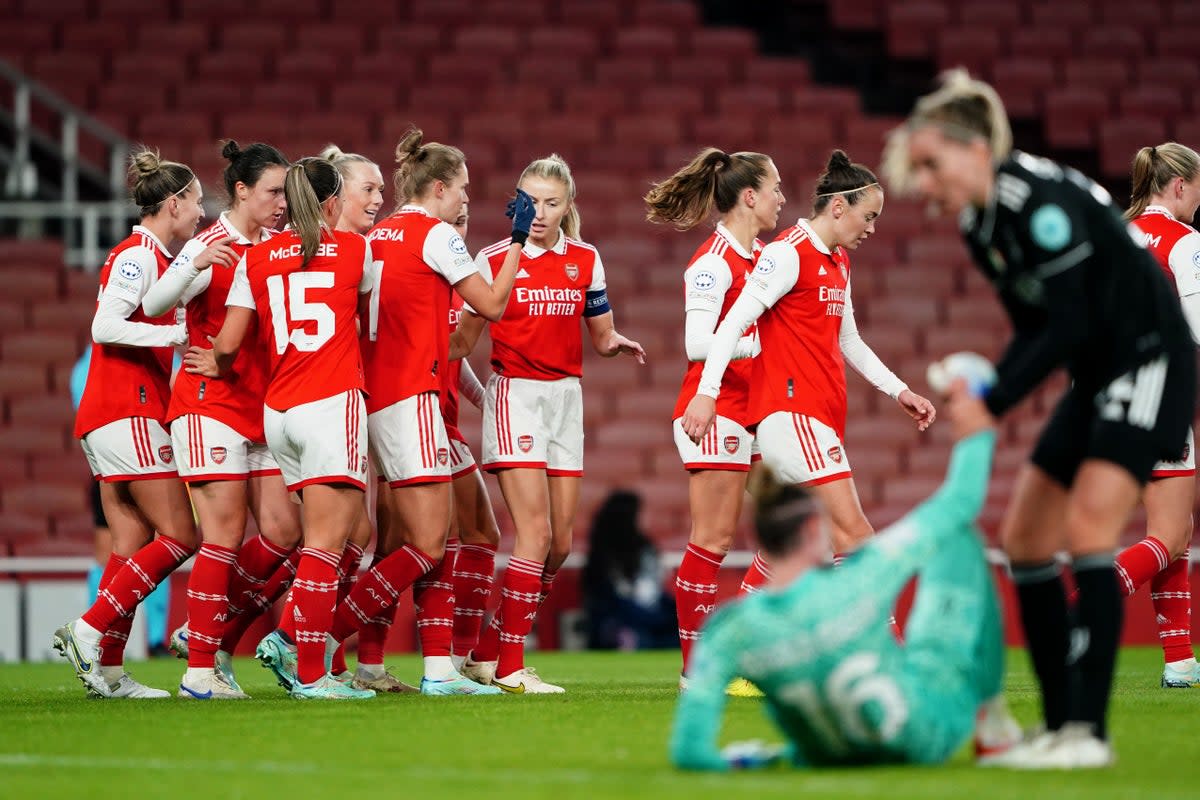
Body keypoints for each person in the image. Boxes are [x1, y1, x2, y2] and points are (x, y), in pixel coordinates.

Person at [881, 69, 1196, 767]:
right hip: (1098, 368)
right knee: (1025, 539)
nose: (925, 185)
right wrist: (988, 391)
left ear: (973, 149)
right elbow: (1038, 327)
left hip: (1149, 358)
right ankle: (1056, 730)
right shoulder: (979, 223)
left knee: (1087, 529)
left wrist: (989, 404)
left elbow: (1070, 321)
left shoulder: (1037, 200)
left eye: (932, 166)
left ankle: (1088, 735)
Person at [670, 371, 1021, 771]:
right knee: (963, 543)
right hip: (923, 738)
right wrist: (977, 423)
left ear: (757, 537)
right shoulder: (861, 576)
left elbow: (689, 752)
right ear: (814, 529)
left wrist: (763, 763)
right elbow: (959, 502)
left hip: (823, 757)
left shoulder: (730, 631)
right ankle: (994, 723)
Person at [318, 128, 528, 696]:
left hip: (369, 397)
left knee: (407, 539)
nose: (466, 198)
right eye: (461, 188)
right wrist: (518, 241)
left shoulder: (371, 236)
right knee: (429, 542)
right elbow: (492, 305)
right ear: (439, 187)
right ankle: (310, 639)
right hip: (411, 397)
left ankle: (435, 670)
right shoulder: (435, 234)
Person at [680, 151, 935, 567]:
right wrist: (707, 393)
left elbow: (848, 340)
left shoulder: (838, 260)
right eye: (868, 216)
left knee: (797, 550)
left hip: (820, 412)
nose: (871, 228)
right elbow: (730, 327)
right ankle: (880, 634)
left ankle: (753, 629)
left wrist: (899, 390)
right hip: (792, 414)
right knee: (855, 536)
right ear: (839, 206)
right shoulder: (786, 253)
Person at [185, 156, 377, 700]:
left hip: (279, 410)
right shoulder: (356, 249)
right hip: (330, 400)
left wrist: (211, 361)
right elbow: (362, 312)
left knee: (308, 538)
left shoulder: (258, 256)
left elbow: (226, 343)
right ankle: (312, 674)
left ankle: (287, 656)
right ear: (333, 201)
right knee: (326, 543)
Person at [455, 153, 647, 694]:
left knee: (559, 544)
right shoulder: (493, 258)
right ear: (515, 202)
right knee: (533, 534)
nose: (537, 213)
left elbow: (601, 335)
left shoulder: (586, 259)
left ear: (568, 208)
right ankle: (512, 668)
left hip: (567, 400)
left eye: (550, 203)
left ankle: (486, 654)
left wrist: (616, 345)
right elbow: (463, 340)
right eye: (529, 201)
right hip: (515, 394)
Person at [140, 140, 301, 700]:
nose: (282, 202)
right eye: (272, 192)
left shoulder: (279, 246)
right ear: (240, 190)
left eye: (284, 191)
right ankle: (199, 670)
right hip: (208, 404)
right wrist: (189, 271)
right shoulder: (213, 246)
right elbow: (157, 304)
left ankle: (201, 627)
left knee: (284, 533)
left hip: (261, 406)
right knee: (225, 535)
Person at [53, 149, 204, 699]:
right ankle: (88, 629)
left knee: (131, 542)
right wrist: (172, 338)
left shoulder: (156, 258)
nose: (199, 213)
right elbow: (104, 326)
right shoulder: (138, 255)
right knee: (182, 534)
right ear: (171, 204)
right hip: (129, 406)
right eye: (194, 202)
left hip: (112, 412)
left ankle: (109, 673)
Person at [644, 147, 786, 686]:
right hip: (715, 410)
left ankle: (737, 645)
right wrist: (757, 347)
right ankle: (695, 670)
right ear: (750, 196)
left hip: (756, 410)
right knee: (714, 539)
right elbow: (697, 341)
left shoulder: (764, 259)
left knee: (789, 528)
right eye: (775, 187)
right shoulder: (711, 264)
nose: (782, 198)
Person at [1117, 142, 1200, 687]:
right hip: (1163, 397)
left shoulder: (1113, 236)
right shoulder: (1184, 241)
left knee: (1171, 530)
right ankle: (1079, 607)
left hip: (1113, 400)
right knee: (1170, 535)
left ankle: (1179, 662)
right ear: (1178, 186)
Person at [69, 349, 172, 658]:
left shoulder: (84, 365)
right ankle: (96, 628)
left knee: (126, 548)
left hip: (107, 453)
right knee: (170, 539)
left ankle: (101, 639)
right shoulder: (150, 340)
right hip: (140, 441)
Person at [581, 490, 677, 651]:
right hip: (620, 618)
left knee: (679, 630)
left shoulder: (646, 548)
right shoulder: (603, 554)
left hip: (651, 612)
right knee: (638, 637)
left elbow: (654, 589)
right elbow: (608, 601)